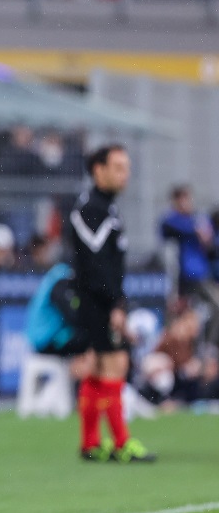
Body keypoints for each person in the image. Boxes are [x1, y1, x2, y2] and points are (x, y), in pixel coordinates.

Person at [68, 144, 155, 463]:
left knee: (99, 369)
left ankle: (91, 443)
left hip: (97, 299)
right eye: (118, 167)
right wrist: (116, 304)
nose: (125, 174)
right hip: (96, 301)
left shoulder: (105, 207)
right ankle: (121, 443)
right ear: (98, 170)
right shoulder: (92, 209)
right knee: (115, 364)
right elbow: (97, 266)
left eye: (127, 167)